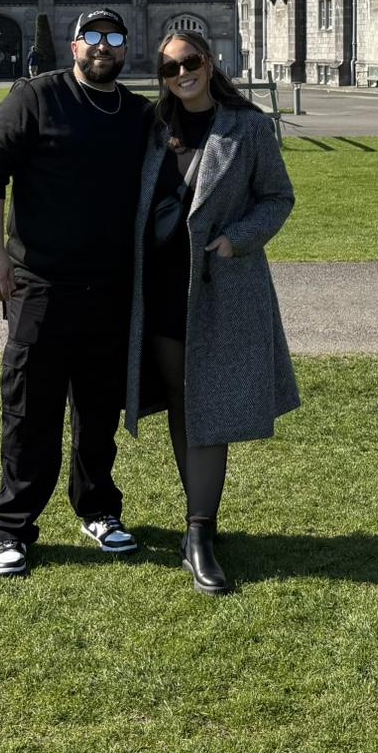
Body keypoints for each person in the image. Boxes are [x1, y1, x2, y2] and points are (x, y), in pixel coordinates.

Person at [0, 8, 152, 578]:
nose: (103, 47)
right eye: (92, 38)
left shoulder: (137, 113)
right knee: (31, 409)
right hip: (40, 285)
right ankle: (13, 528)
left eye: (114, 38)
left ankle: (98, 510)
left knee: (98, 410)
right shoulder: (36, 98)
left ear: (125, 49)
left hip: (111, 287)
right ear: (75, 46)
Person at [124, 29, 299, 596]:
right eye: (171, 67)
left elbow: (278, 197)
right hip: (160, 291)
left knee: (206, 408)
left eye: (191, 62)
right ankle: (196, 522)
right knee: (182, 405)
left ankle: (200, 532)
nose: (182, 74)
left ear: (210, 62)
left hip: (219, 290)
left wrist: (236, 239)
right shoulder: (152, 129)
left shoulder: (246, 127)